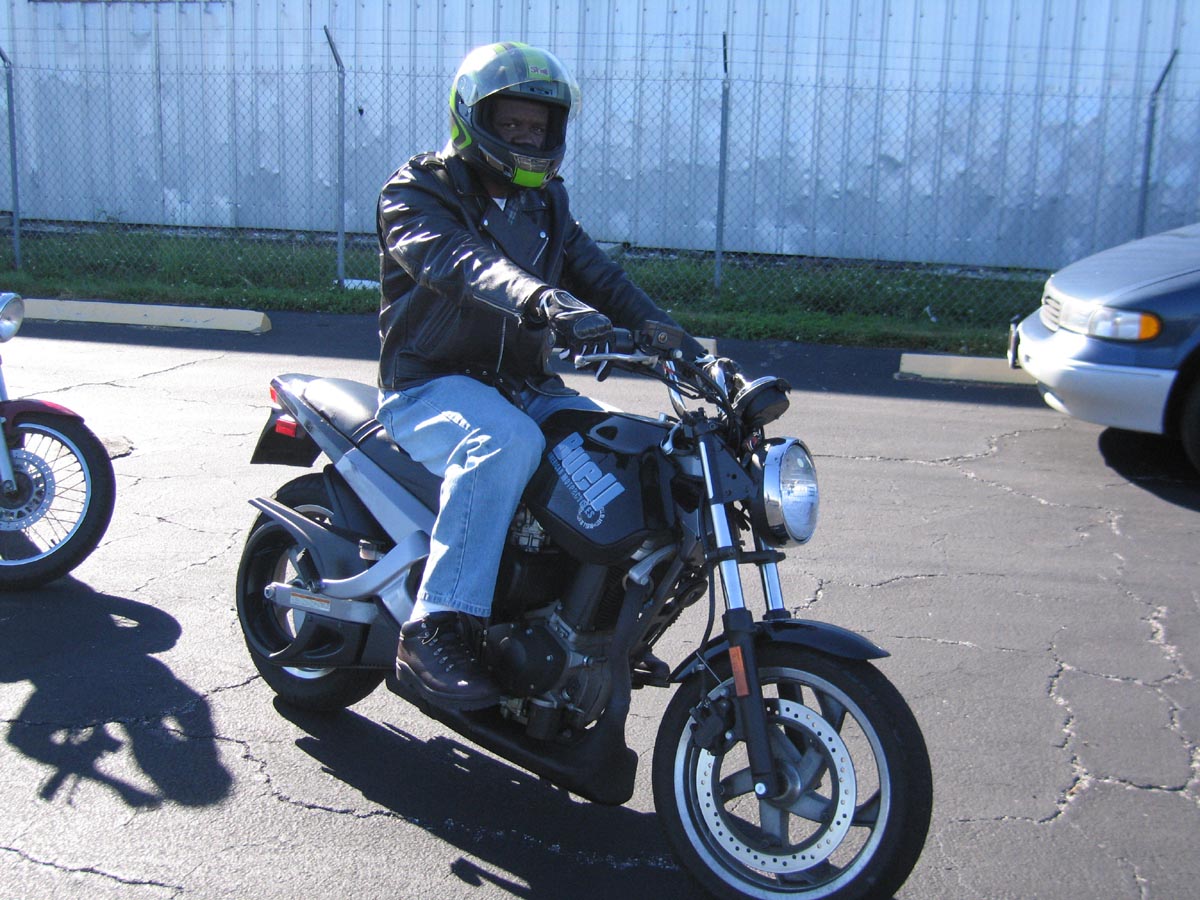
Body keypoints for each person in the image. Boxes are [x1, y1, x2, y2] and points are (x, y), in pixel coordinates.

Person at [375, 41, 707, 709]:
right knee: (505, 441)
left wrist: (694, 355)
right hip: (429, 385)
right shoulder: (418, 191)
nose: (527, 137)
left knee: (629, 454)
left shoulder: (546, 203)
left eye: (538, 125)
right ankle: (436, 625)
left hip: (526, 388)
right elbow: (459, 262)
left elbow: (605, 281)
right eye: (512, 123)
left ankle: (593, 626)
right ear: (474, 119)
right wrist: (541, 298)